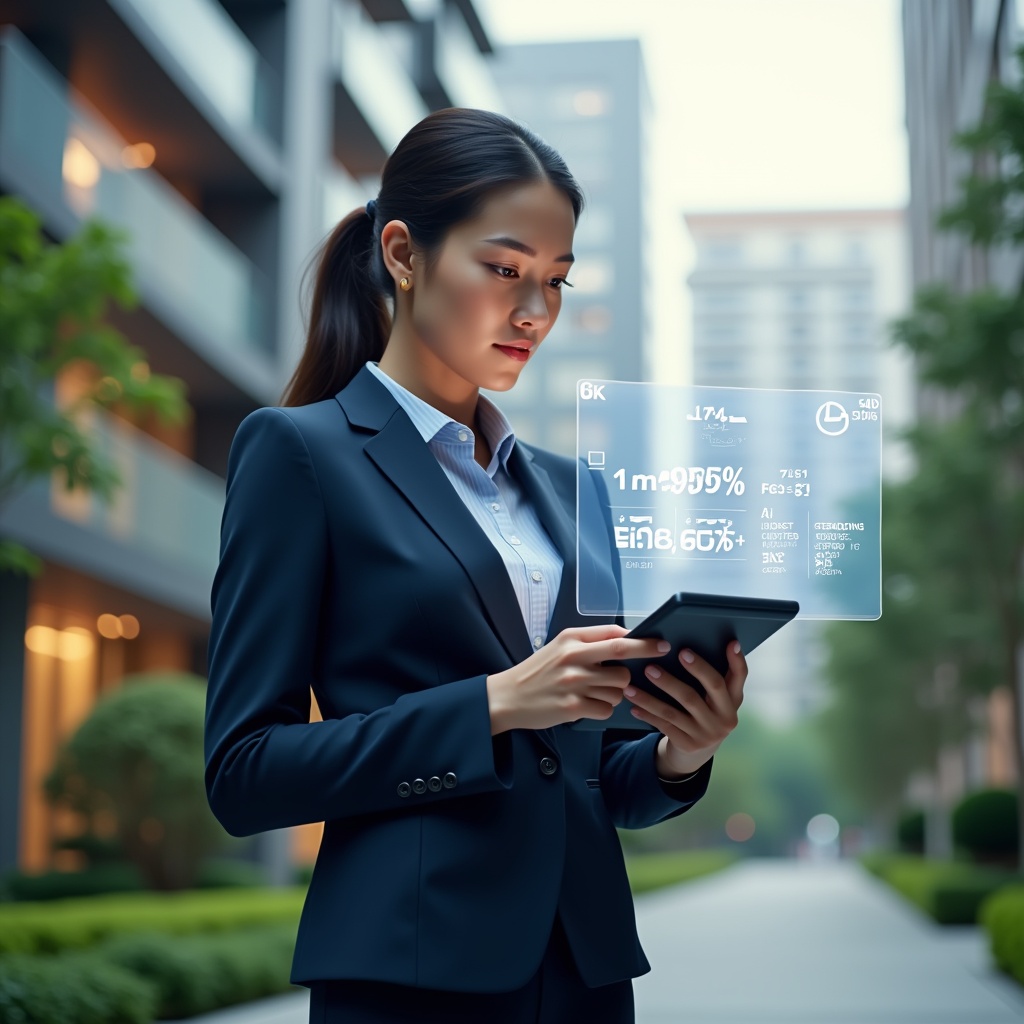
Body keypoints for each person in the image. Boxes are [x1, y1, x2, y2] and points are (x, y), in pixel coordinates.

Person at [204, 107, 747, 1024]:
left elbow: (594, 777)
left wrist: (680, 750)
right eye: (504, 270)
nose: (534, 313)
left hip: (586, 973)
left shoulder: (579, 494)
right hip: (410, 972)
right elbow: (246, 773)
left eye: (557, 280)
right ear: (404, 254)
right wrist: (494, 703)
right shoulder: (300, 454)